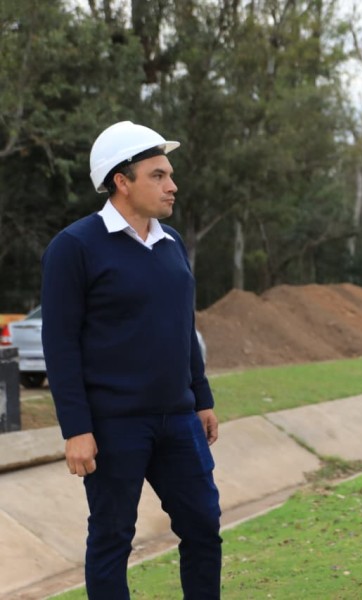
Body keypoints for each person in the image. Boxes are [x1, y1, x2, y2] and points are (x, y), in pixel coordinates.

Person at [42, 121, 222, 598]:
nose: (172, 185)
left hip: (178, 419)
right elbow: (59, 345)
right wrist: (76, 429)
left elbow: (184, 327)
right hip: (112, 425)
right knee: (112, 539)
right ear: (121, 181)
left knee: (204, 529)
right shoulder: (74, 247)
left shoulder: (172, 243)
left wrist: (201, 397)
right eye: (158, 175)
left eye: (170, 175)